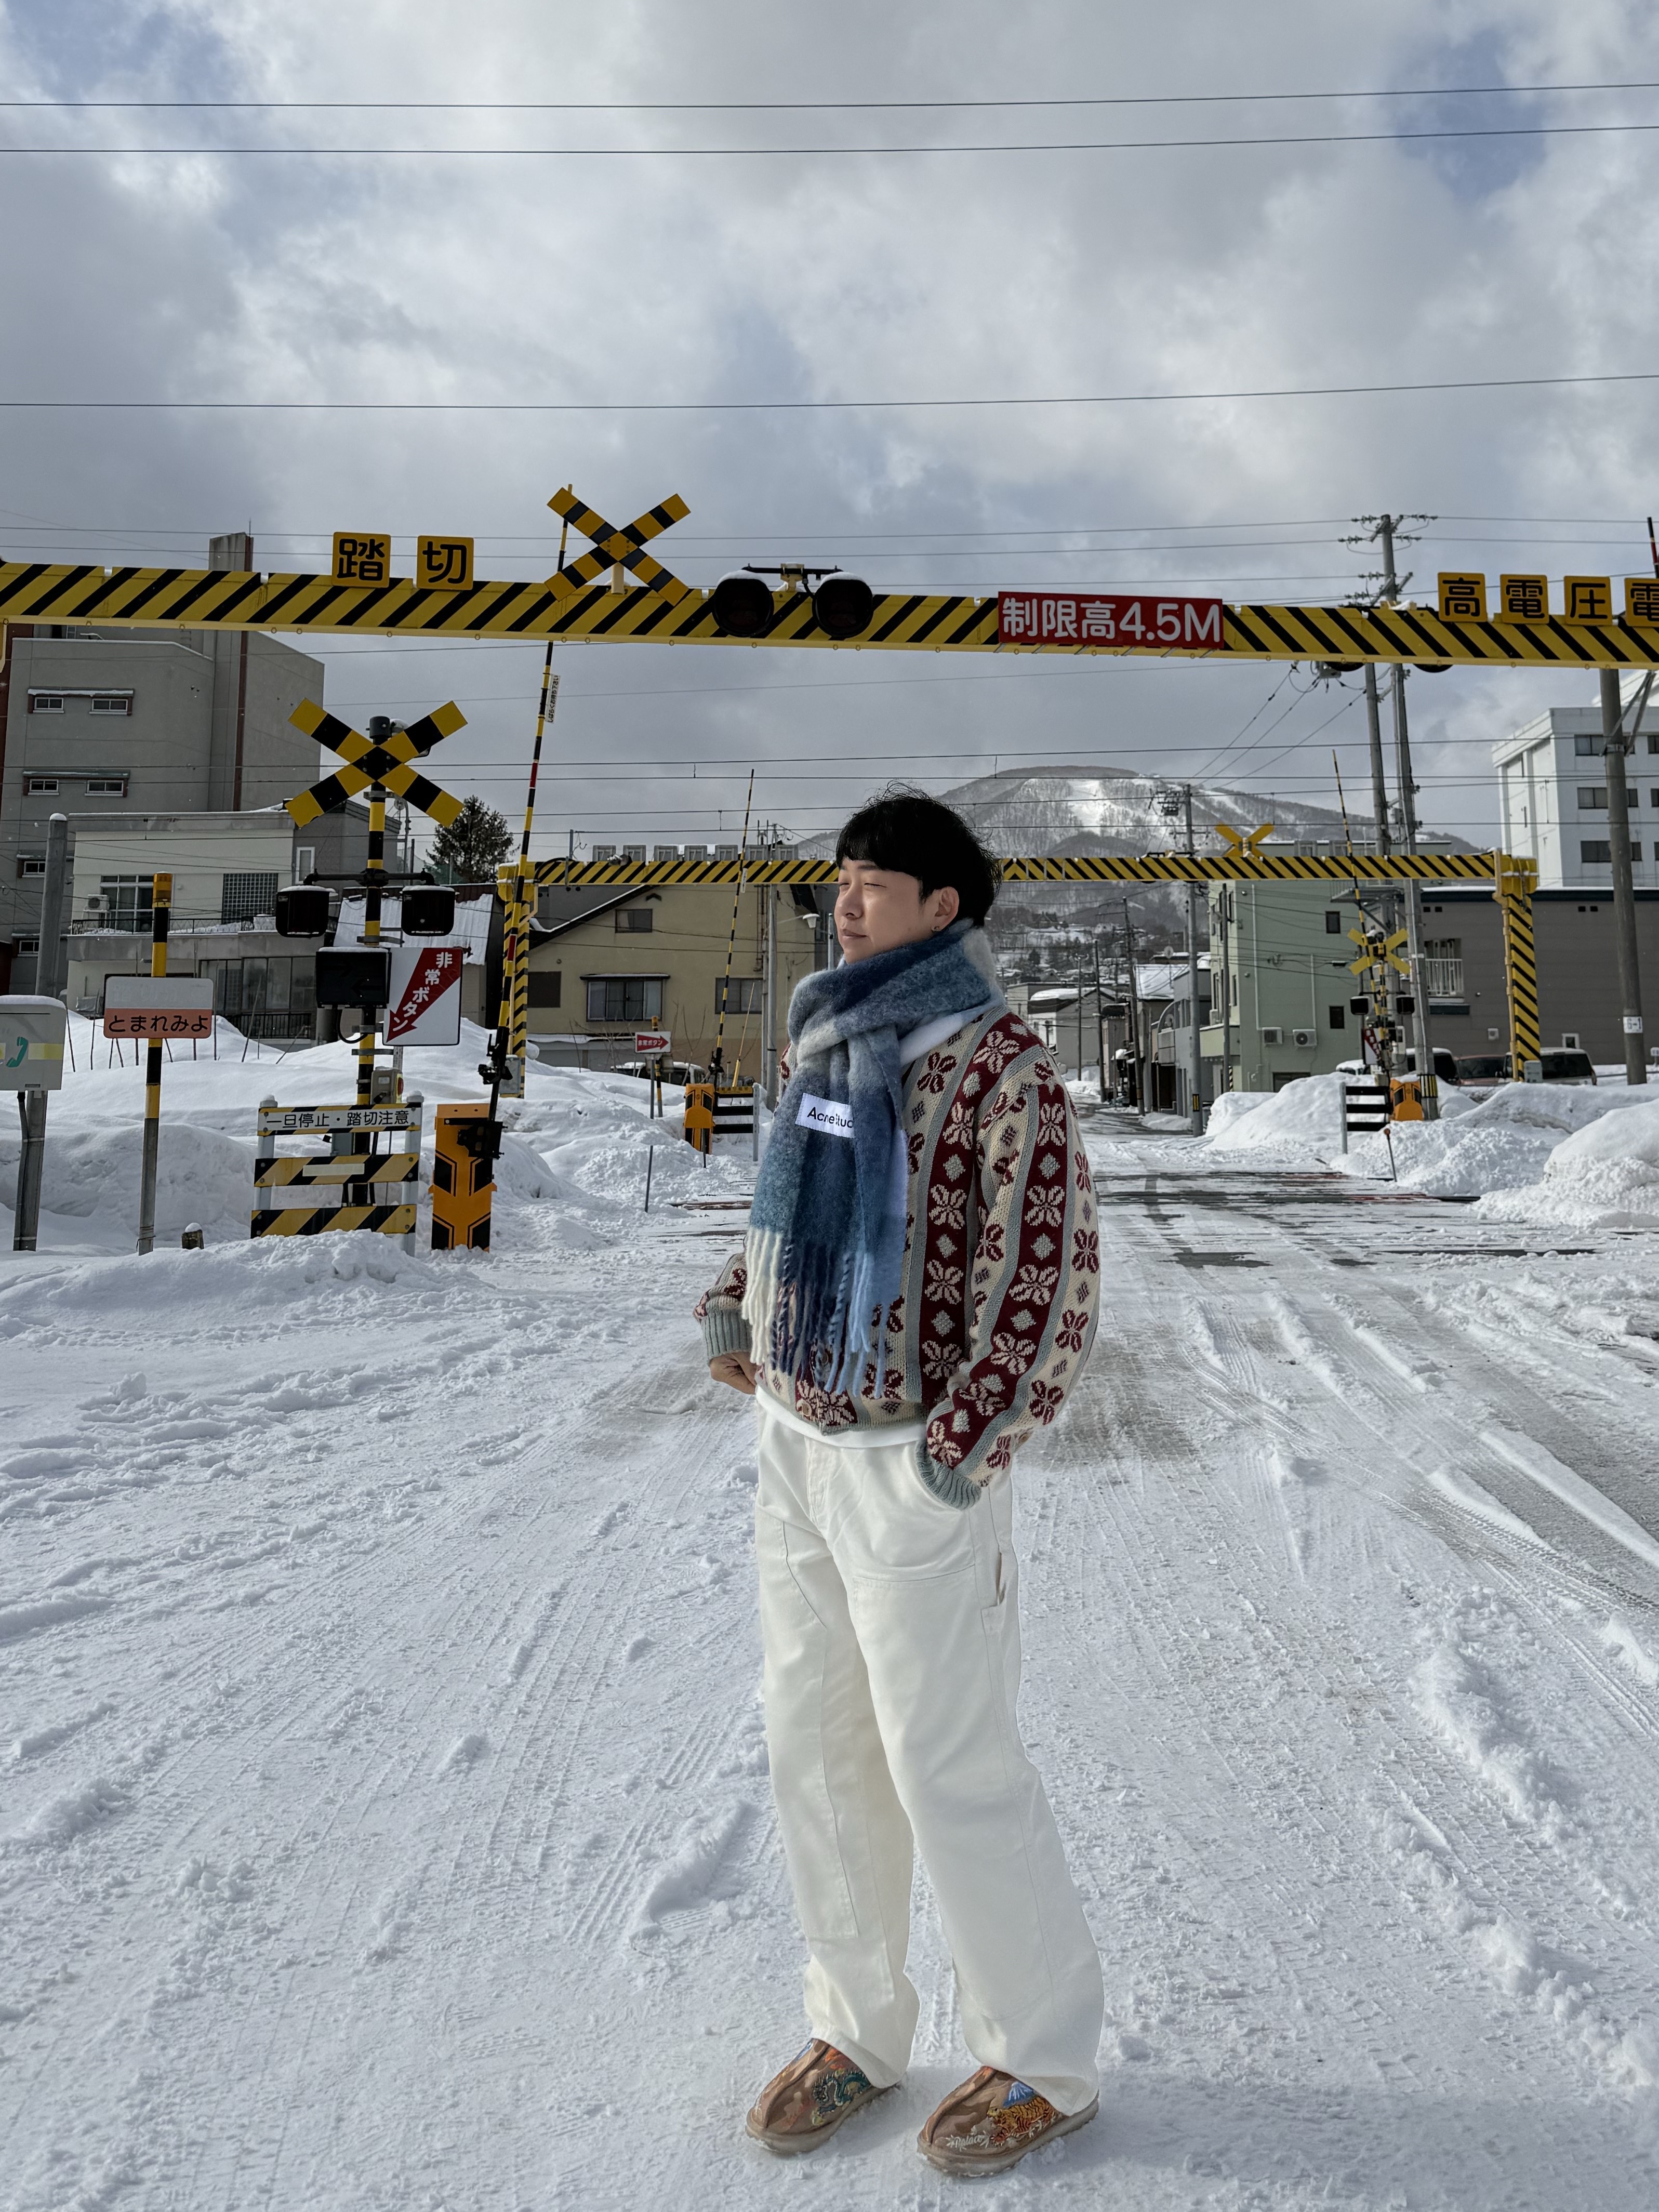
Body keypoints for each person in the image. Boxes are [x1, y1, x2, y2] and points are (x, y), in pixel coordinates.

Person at [695, 791, 1105, 2179]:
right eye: (840, 878)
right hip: (798, 1440)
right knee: (817, 1748)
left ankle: (1041, 2053)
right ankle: (856, 2029)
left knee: (947, 1763)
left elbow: (1047, 1283)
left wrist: (953, 1458)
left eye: (875, 880)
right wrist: (734, 1312)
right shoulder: (831, 1035)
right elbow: (783, 1205)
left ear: (945, 907)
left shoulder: (1000, 1068)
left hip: (908, 1463)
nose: (846, 899)